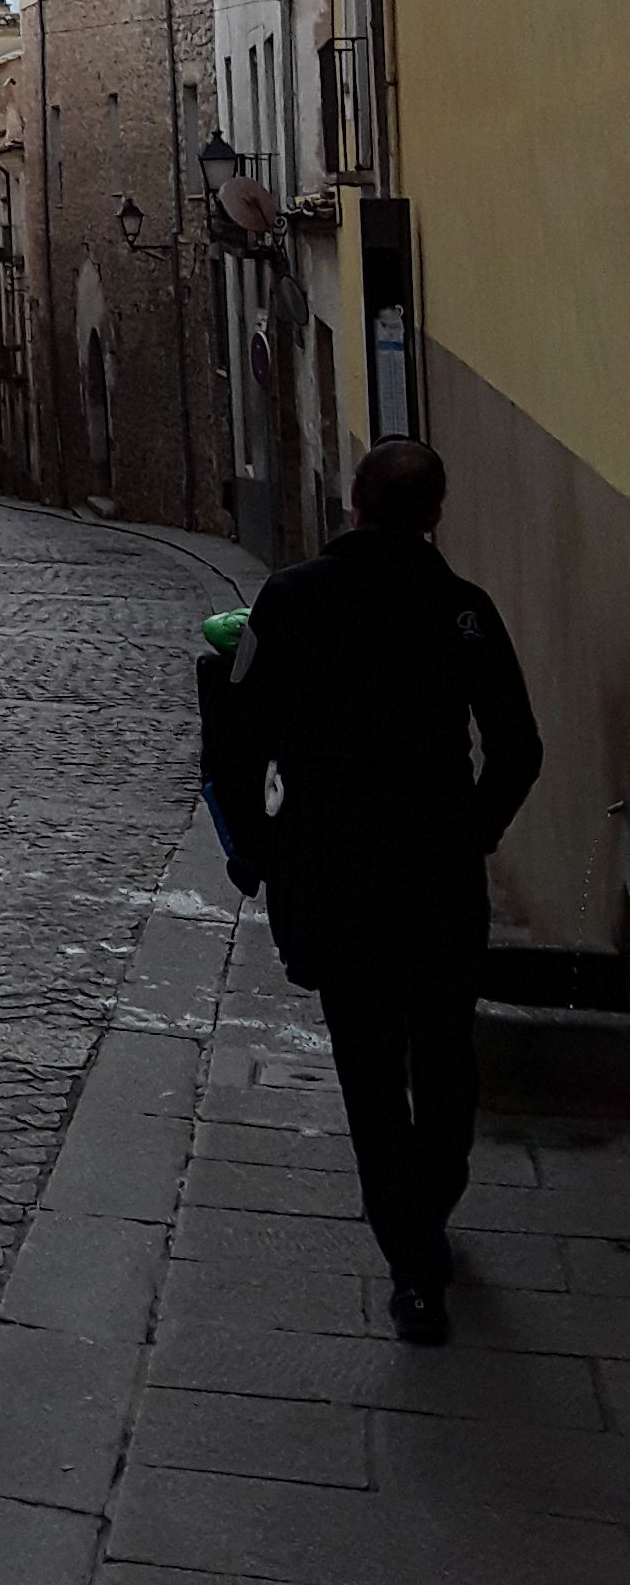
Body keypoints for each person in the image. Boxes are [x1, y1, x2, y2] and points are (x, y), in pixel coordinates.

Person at [218, 437, 542, 1346]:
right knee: (443, 1054)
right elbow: (519, 748)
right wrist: (470, 834)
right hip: (439, 877)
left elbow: (236, 739)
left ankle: (413, 1263)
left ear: (353, 499)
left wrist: (256, 848)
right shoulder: (461, 609)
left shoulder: (291, 601)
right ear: (436, 514)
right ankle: (430, 1211)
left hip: (339, 873)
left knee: (367, 1069)